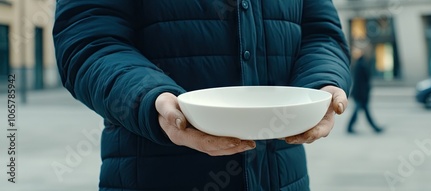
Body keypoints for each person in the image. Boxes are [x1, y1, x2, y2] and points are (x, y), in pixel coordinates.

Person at [53, 0, 351, 190]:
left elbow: (320, 33)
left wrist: (321, 84)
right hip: (153, 173)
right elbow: (90, 41)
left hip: (283, 176)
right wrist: (152, 98)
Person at [347, 42, 383, 134]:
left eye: (356, 51)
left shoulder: (361, 64)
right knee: (362, 111)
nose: (354, 53)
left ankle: (350, 127)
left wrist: (358, 93)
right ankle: (374, 128)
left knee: (361, 111)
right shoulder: (361, 63)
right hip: (361, 93)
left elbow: (361, 82)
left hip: (361, 93)